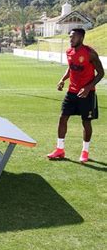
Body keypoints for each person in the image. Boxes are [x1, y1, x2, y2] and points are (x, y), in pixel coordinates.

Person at [47, 28, 104, 162]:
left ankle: (85, 152)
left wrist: (88, 88)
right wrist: (62, 79)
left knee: (86, 122)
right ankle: (60, 149)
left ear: (81, 38)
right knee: (63, 118)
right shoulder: (69, 52)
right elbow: (71, 67)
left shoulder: (90, 53)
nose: (71, 39)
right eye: (70, 37)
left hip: (87, 94)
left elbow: (101, 73)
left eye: (74, 37)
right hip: (71, 92)